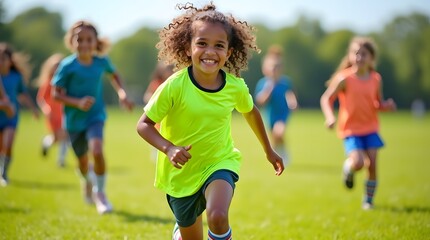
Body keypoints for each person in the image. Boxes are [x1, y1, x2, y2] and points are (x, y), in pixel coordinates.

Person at [136, 3, 284, 240]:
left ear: (229, 52)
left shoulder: (234, 87)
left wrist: (268, 150)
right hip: (181, 174)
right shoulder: (174, 86)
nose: (210, 51)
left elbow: (251, 112)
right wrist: (169, 148)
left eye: (219, 45)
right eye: (202, 43)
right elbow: (143, 124)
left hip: (219, 163)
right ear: (188, 48)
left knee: (217, 216)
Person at [51, 20, 134, 214]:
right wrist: (77, 102)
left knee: (97, 151)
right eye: (80, 39)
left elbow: (115, 75)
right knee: (81, 162)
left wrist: (122, 93)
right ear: (72, 41)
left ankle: (101, 194)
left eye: (89, 39)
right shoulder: (67, 65)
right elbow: (55, 94)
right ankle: (86, 181)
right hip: (73, 122)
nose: (85, 44)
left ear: (96, 42)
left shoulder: (101, 62)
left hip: (95, 116)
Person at [320, 36, 396, 210]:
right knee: (359, 163)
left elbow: (376, 103)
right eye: (356, 53)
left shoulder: (376, 79)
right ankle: (349, 167)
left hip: (370, 128)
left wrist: (386, 106)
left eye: (364, 54)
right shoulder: (344, 78)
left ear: (372, 58)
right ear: (350, 55)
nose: (359, 57)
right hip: (351, 129)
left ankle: (368, 201)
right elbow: (326, 99)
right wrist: (330, 117)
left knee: (373, 164)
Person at [0, 42, 40, 187]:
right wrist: (4, 105)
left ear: (10, 60)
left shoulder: (16, 77)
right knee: (1, 147)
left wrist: (33, 109)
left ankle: (4, 174)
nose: (1, 62)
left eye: (3, 59)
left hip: (11, 118)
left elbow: (22, 95)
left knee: (8, 144)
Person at [255, 45, 298, 166]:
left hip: (282, 113)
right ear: (266, 69)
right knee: (274, 138)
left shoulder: (285, 82)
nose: (275, 70)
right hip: (270, 114)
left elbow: (290, 94)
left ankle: (284, 153)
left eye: (278, 67)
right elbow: (260, 101)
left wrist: (293, 103)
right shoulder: (264, 83)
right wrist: (270, 87)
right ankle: (279, 152)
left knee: (279, 132)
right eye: (273, 68)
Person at [36, 53, 69, 167]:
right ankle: (46, 143)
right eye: (55, 66)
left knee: (65, 136)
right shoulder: (48, 83)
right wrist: (46, 109)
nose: (57, 68)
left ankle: (61, 160)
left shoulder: (65, 81)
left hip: (63, 114)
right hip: (52, 115)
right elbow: (41, 99)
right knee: (57, 138)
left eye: (60, 65)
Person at [143, 61, 174, 162]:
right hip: (158, 122)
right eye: (167, 70)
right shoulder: (157, 84)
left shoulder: (176, 83)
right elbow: (146, 96)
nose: (169, 72)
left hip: (171, 123)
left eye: (171, 69)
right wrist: (157, 102)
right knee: (158, 154)